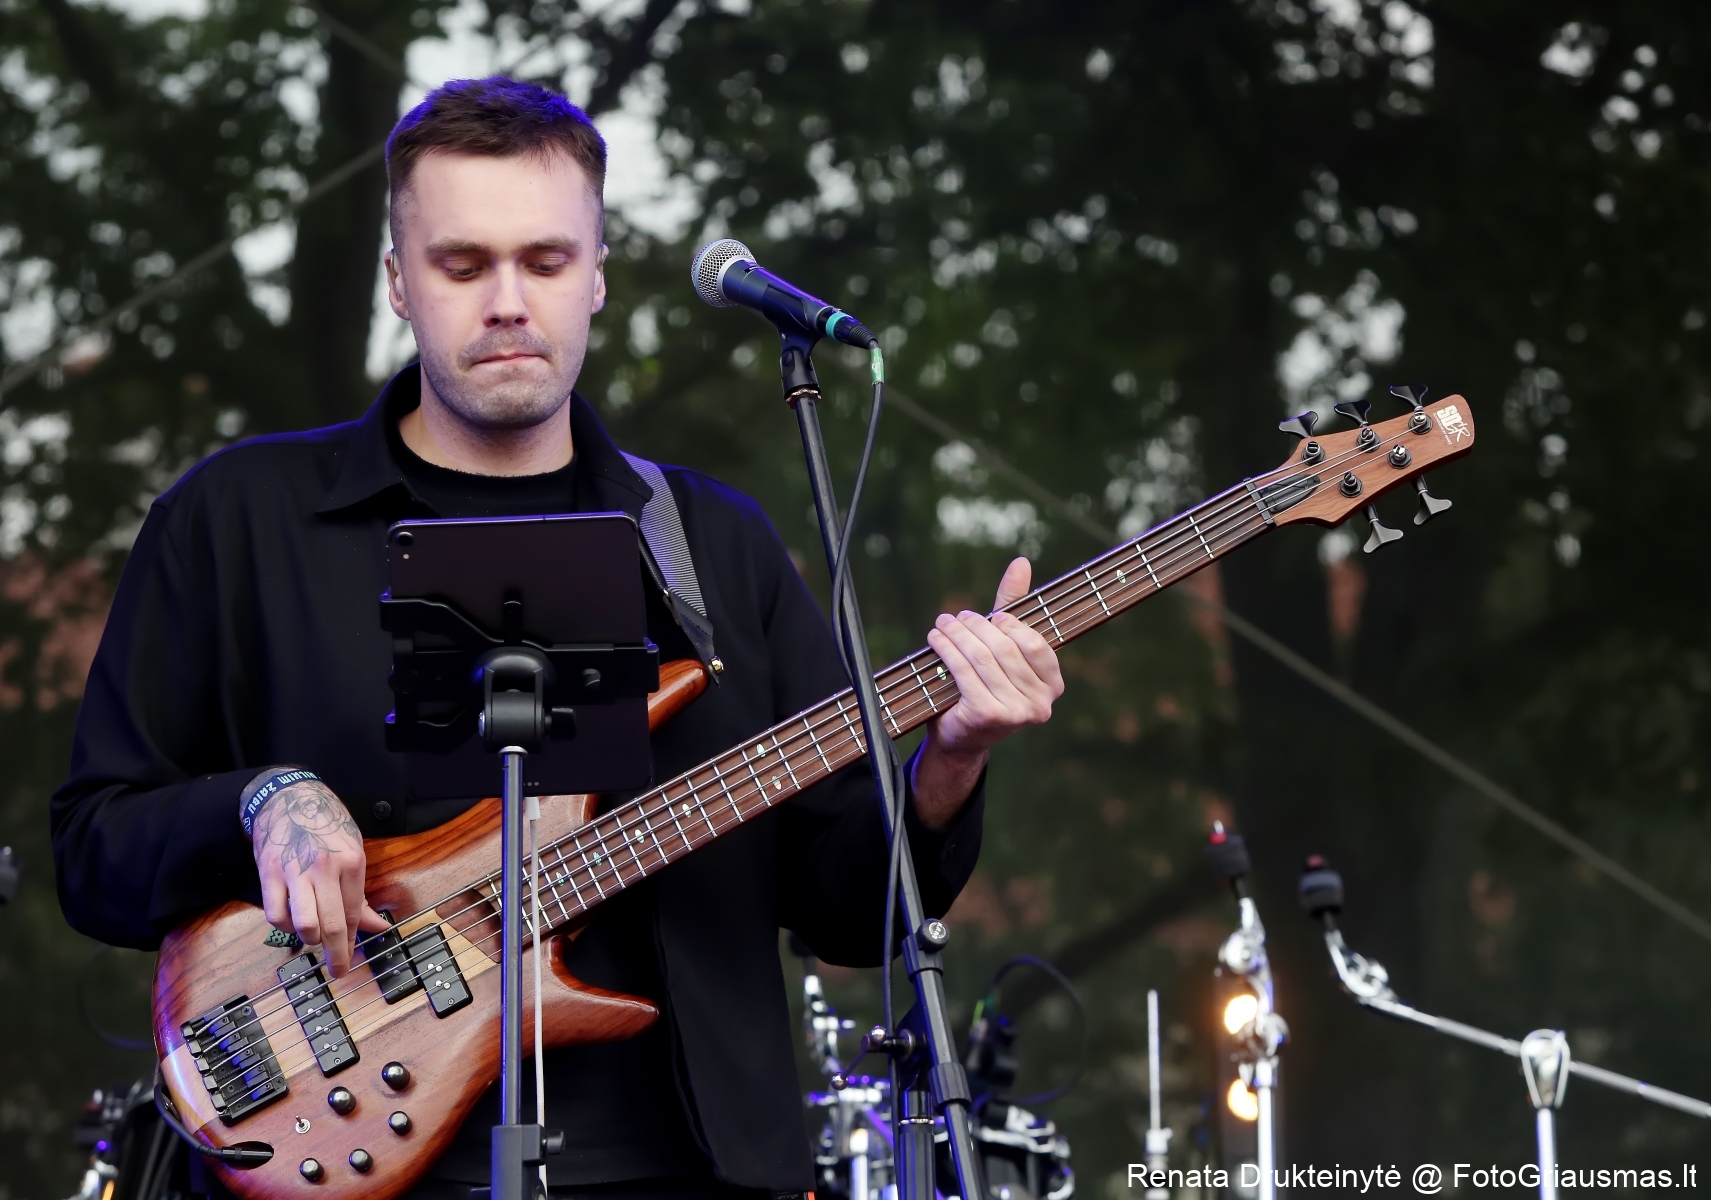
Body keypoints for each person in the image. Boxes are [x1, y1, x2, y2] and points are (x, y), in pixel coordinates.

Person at [51, 77, 1064, 1200]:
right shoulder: (238, 521)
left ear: (597, 278)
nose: (507, 302)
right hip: (344, 1149)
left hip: (684, 1176)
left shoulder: (712, 546)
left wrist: (953, 757)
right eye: (462, 264)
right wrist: (262, 802)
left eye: (544, 261)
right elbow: (94, 849)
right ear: (398, 280)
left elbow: (847, 909)